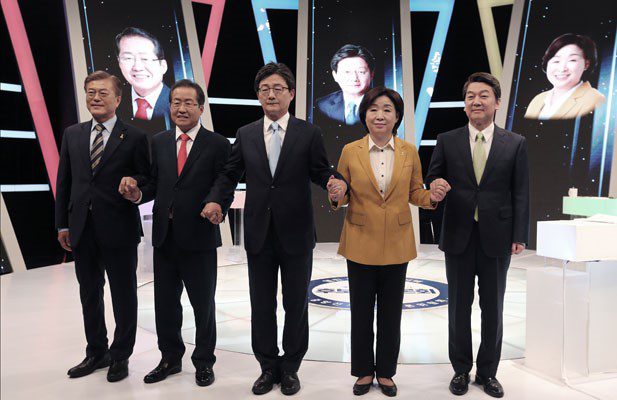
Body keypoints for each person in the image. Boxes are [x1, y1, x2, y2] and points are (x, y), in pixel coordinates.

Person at [202, 62, 347, 396]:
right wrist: (216, 201)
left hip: (297, 232)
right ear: (258, 95)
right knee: (262, 304)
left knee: (296, 304)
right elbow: (229, 173)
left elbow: (320, 169)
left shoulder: (308, 132)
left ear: (291, 94)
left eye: (278, 88)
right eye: (265, 89)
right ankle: (268, 367)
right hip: (259, 233)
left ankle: (291, 367)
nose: (271, 94)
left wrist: (334, 182)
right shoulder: (246, 133)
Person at [329, 87, 448, 397]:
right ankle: (364, 371)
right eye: (373, 109)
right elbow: (342, 193)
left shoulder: (409, 151)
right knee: (361, 313)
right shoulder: (350, 151)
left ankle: (386, 372)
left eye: (387, 110)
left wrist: (432, 197)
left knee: (391, 314)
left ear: (397, 117)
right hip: (359, 240)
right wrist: (337, 195)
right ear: (364, 115)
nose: (379, 115)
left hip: (397, 242)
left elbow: (415, 193)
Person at [119, 80, 231, 387]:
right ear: (170, 107)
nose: (181, 108)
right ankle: (170, 358)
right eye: (176, 102)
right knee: (165, 304)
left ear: (200, 108)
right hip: (164, 236)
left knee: (203, 305)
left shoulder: (218, 144)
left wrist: (217, 203)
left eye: (188, 103)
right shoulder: (159, 141)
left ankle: (204, 362)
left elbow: (224, 183)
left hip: (199, 236)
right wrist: (137, 194)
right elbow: (154, 183)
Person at [426, 72, 529, 398]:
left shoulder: (515, 142)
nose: (476, 101)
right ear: (464, 104)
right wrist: (435, 185)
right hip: (458, 233)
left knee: (493, 308)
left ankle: (487, 373)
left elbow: (521, 192)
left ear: (497, 102)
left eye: (483, 95)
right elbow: (433, 176)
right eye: (470, 96)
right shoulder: (447, 139)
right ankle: (460, 370)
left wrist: (519, 234)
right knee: (458, 307)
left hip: (497, 236)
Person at [55, 71, 150, 382]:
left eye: (103, 93)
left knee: (124, 295)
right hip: (82, 228)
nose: (95, 98)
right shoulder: (73, 134)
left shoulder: (134, 136)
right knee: (89, 294)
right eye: (91, 92)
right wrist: (62, 225)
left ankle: (121, 356)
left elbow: (148, 178)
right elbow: (65, 181)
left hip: (119, 229)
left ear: (118, 99)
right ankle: (97, 351)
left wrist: (135, 183)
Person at [525, 33, 605, 120]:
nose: (562, 68)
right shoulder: (538, 99)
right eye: (556, 61)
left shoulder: (595, 99)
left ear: (586, 64)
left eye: (572, 60)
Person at [115, 27, 171, 131]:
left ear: (163, 66)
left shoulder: (181, 106)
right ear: (119, 63)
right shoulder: (113, 105)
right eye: (128, 58)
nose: (137, 67)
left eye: (145, 58)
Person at [316, 44, 375, 125]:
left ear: (371, 75)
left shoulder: (385, 104)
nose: (354, 78)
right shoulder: (322, 105)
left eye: (361, 72)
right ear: (335, 76)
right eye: (347, 72)